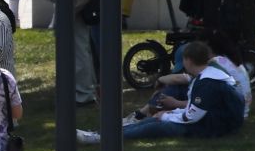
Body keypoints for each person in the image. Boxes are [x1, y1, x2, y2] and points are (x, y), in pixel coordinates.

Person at [84, 40, 245, 143]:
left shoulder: (208, 82)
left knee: (155, 127)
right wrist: (166, 114)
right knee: (154, 121)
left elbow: (192, 117)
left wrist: (167, 115)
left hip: (215, 127)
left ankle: (102, 138)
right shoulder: (207, 75)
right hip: (216, 122)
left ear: (188, 60)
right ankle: (101, 134)